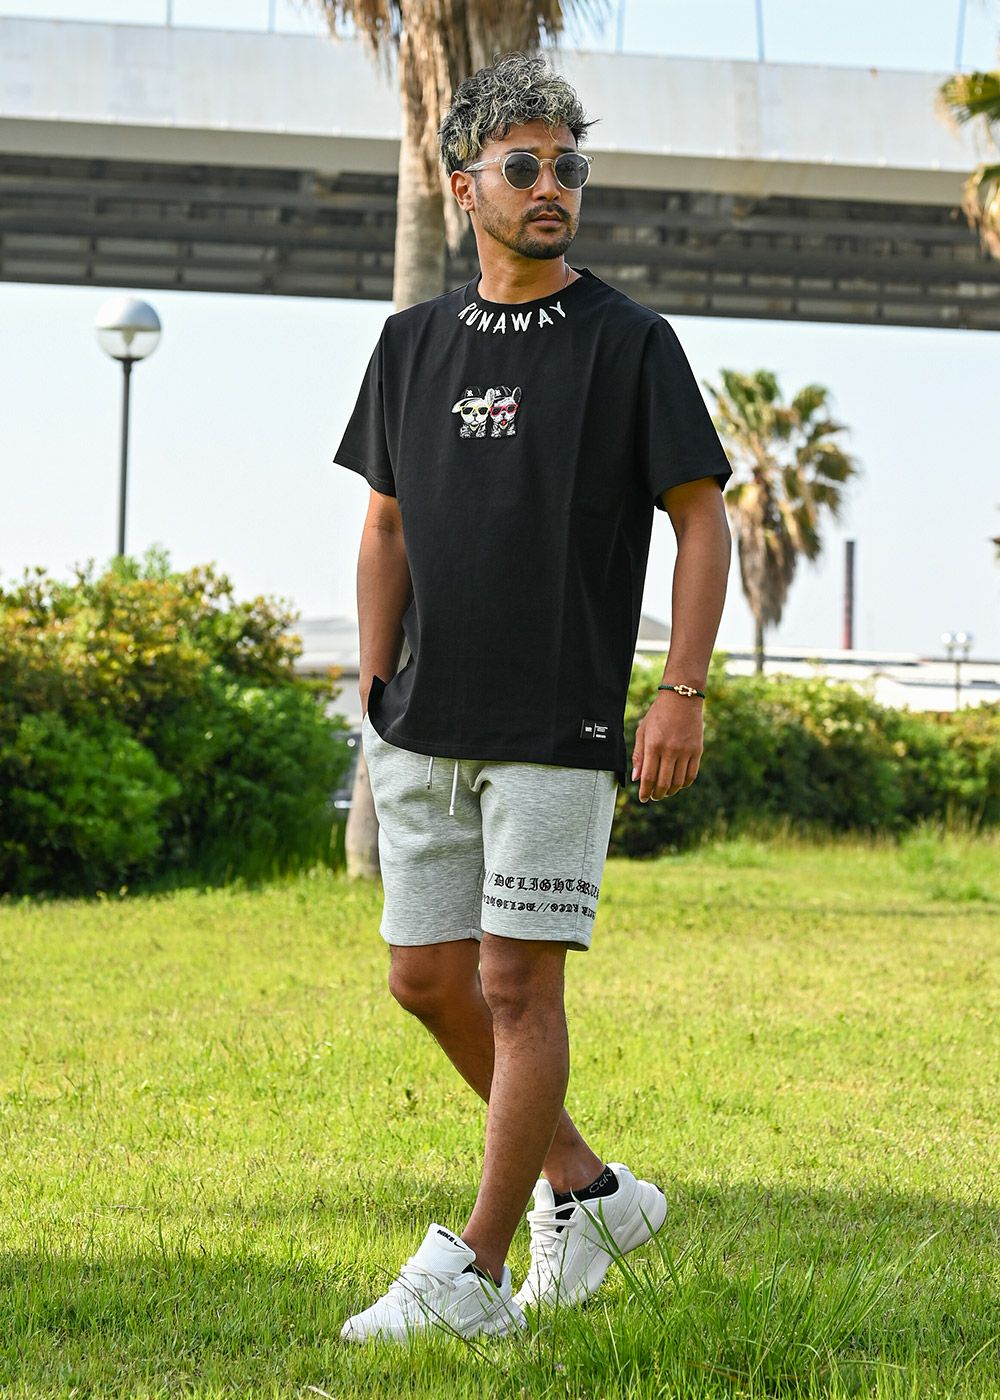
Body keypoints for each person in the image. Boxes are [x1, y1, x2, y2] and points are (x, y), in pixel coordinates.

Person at [332, 51, 733, 1343]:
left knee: (515, 987)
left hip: (558, 724)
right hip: (422, 723)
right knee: (424, 979)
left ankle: (475, 1274)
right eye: (524, 165)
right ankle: (591, 1191)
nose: (552, 185)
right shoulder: (411, 344)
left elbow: (703, 520)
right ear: (466, 187)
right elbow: (387, 522)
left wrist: (680, 689)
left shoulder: (631, 343)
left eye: (569, 165)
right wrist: (374, 674)